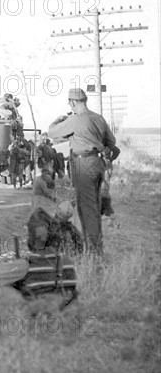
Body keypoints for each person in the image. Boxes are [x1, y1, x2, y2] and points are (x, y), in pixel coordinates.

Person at [48, 88, 118, 254]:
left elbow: (51, 132)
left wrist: (57, 120)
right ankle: (95, 248)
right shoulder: (98, 118)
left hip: (83, 165)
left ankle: (93, 253)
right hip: (98, 163)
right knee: (94, 207)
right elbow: (112, 142)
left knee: (86, 209)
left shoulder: (74, 120)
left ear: (72, 103)